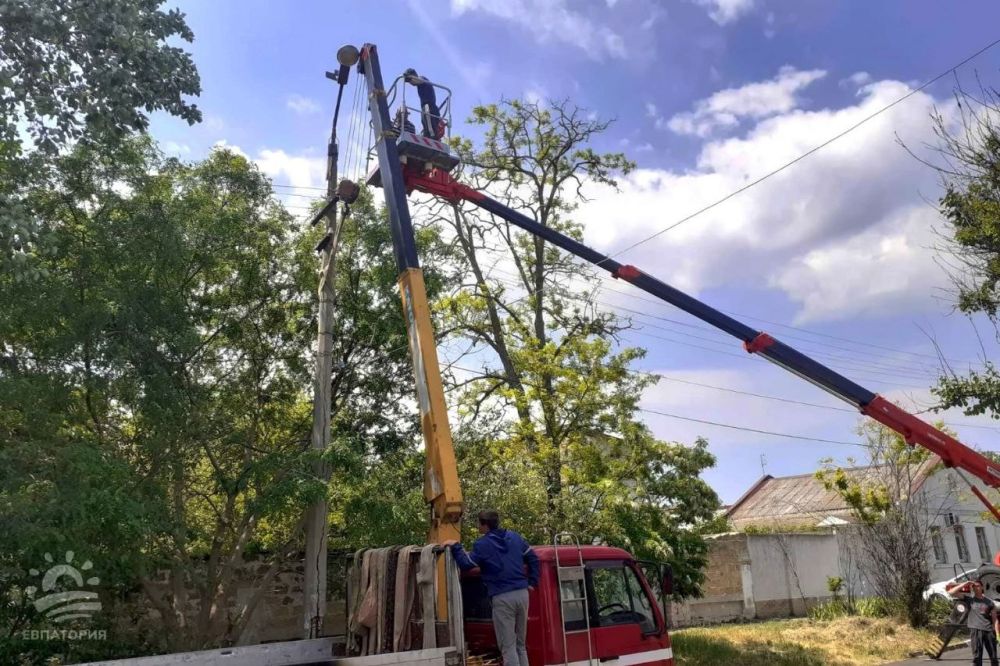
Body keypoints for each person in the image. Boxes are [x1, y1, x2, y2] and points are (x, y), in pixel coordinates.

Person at [445, 510, 539, 666]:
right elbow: (533, 558)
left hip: (502, 597)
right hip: (522, 594)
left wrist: (456, 547)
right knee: (520, 645)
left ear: (484, 525)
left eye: (479, 524)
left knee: (508, 647)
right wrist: (532, 582)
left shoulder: (482, 545)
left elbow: (466, 564)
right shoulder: (515, 537)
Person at [948, 579, 1000, 666]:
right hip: (975, 631)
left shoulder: (990, 602)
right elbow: (951, 592)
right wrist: (966, 583)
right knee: (977, 658)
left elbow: (995, 619)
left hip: (989, 631)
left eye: (978, 586)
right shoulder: (969, 600)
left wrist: (998, 634)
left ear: (982, 587)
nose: (976, 588)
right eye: (974, 587)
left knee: (994, 658)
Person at [403, 68, 442, 138]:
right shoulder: (421, 84)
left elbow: (417, 80)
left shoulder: (422, 79)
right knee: (426, 127)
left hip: (429, 108)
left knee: (431, 132)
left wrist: (408, 78)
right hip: (428, 108)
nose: (410, 83)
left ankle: (433, 139)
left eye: (410, 81)